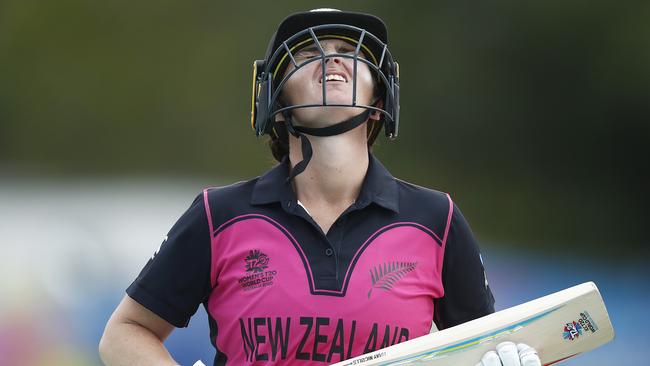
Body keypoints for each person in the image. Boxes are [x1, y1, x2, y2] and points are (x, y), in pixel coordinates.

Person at [99, 9, 541, 366]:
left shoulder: (436, 219)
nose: (332, 59)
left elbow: (487, 348)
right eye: (307, 54)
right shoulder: (220, 214)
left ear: (379, 99)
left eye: (349, 51)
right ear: (274, 98)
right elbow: (125, 333)